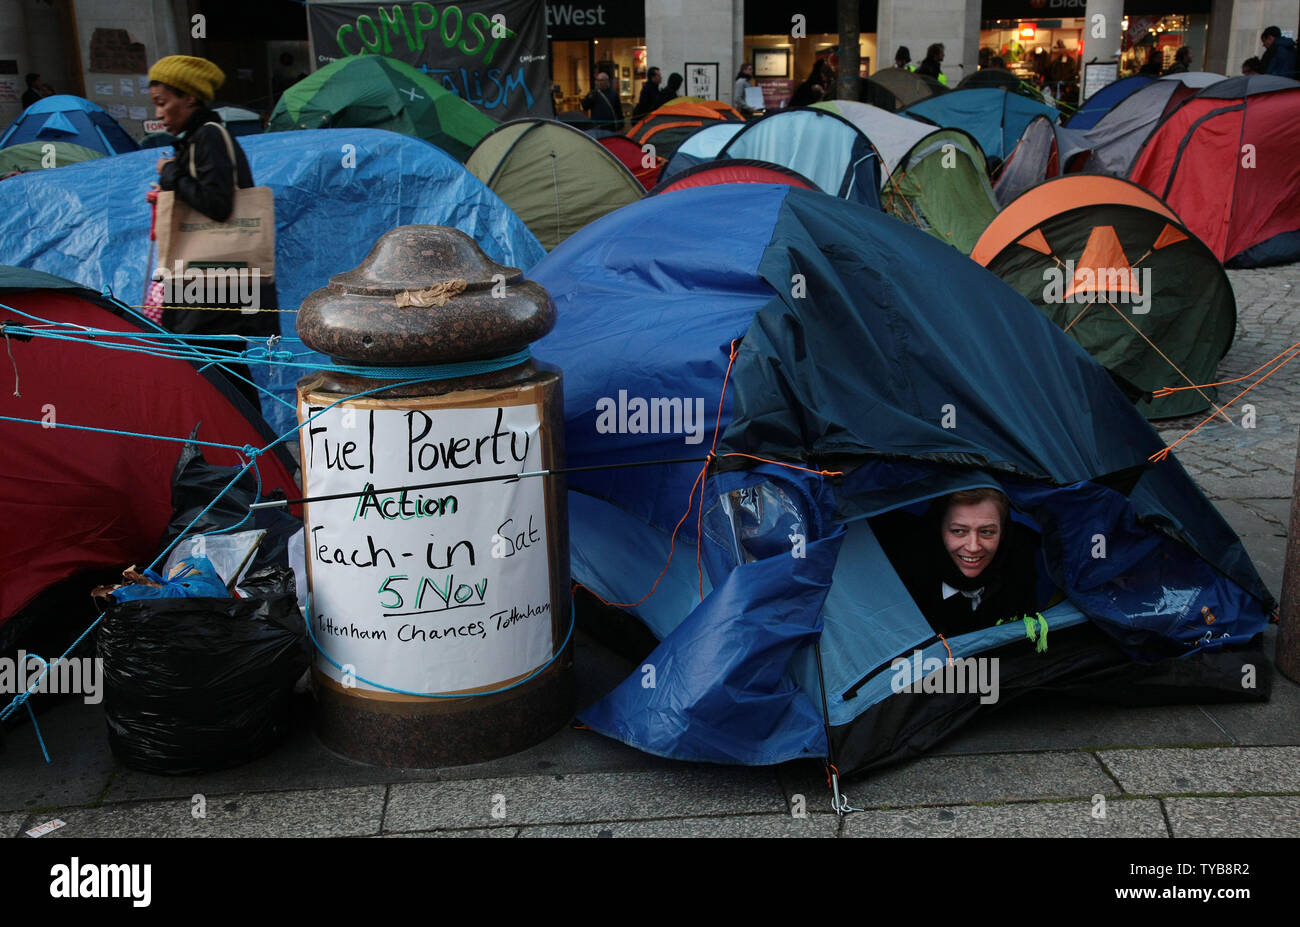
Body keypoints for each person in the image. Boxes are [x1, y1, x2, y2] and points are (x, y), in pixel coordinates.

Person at [148, 54, 278, 408]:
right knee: (219, 370)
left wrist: (172, 173)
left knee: (217, 371)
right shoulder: (200, 138)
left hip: (213, 286)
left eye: (163, 103)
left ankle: (251, 452)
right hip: (211, 283)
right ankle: (249, 452)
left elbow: (218, 205)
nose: (159, 114)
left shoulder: (209, 137)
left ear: (189, 98)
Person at [877, 488, 1041, 639]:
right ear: (938, 529)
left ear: (1003, 533)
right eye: (958, 531)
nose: (973, 547)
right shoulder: (900, 575)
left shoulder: (1019, 563)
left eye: (987, 532)